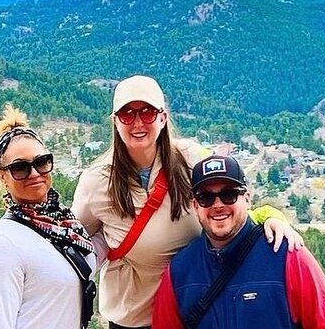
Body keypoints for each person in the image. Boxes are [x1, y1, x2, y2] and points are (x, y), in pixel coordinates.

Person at [73, 75, 303, 329]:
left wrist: (270, 217)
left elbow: (231, 197)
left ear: (163, 118)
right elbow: (76, 242)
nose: (138, 122)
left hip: (198, 310)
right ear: (115, 121)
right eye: (127, 114)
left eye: (147, 112)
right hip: (136, 318)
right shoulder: (96, 182)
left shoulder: (191, 158)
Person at [153, 155, 325, 329]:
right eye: (206, 198)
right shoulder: (179, 271)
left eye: (229, 194)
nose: (218, 205)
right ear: (195, 205)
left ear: (247, 199)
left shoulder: (286, 254)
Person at [0, 106, 96, 329]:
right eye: (20, 168)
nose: (34, 173)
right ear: (2, 176)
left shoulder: (65, 226)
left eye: (41, 162)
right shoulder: (3, 244)